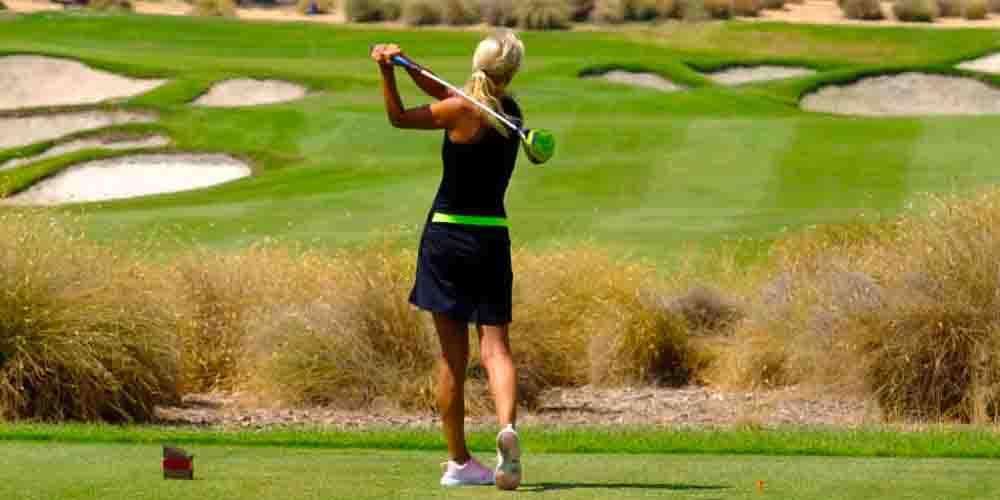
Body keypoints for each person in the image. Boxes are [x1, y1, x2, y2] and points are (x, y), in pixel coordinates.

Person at [370, 30, 526, 490]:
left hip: (447, 238)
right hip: (492, 237)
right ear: (511, 72)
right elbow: (446, 89)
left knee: (452, 358)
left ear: (477, 63)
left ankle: (460, 462)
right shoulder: (511, 115)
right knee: (496, 349)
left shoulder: (460, 110)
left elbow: (399, 118)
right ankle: (507, 429)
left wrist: (385, 72)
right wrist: (408, 64)